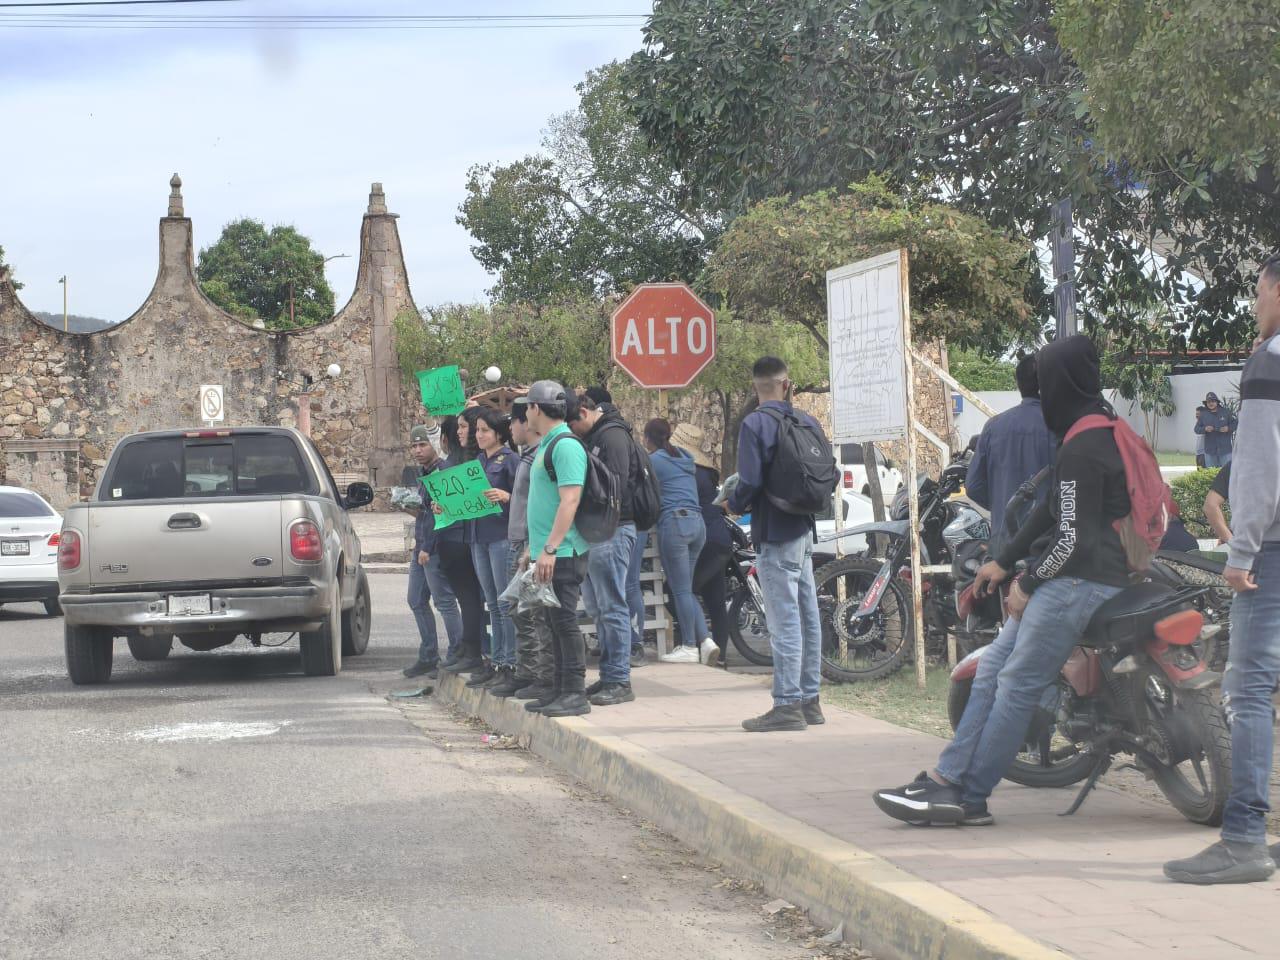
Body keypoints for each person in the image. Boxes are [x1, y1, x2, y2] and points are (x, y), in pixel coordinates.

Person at [873, 335, 1131, 825]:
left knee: (1015, 682)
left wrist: (1028, 582)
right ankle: (948, 778)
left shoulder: (1085, 446)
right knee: (992, 667)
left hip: (1081, 579)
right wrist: (1004, 561)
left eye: (1049, 383)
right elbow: (1047, 511)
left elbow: (1071, 539)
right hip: (1069, 573)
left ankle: (969, 796)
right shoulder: (1087, 431)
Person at [1164, 256, 1280, 885]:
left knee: (1248, 690)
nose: (1255, 304)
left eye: (1259, 291)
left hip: (1272, 553)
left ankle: (1243, 839)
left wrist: (1240, 552)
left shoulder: (1269, 361)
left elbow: (1261, 469)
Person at [727, 357, 828, 732]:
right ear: (787, 385)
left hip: (774, 532)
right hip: (803, 530)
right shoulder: (808, 421)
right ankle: (810, 700)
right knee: (808, 618)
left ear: (756, 387)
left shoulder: (755, 424)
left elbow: (750, 481)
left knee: (784, 621)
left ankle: (786, 704)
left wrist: (733, 502)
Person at [520, 381, 592, 717]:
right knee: (552, 621)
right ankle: (560, 690)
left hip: (563, 553)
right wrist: (534, 549)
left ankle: (575, 692)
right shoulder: (548, 444)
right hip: (548, 552)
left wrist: (550, 548)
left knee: (564, 621)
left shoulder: (565, 446)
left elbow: (570, 500)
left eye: (527, 407)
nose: (525, 413)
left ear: (536, 408)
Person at [571, 392, 642, 705]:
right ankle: (609, 673)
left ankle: (619, 679)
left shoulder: (612, 436)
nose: (572, 432)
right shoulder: (596, 436)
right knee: (598, 608)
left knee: (612, 606)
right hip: (597, 531)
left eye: (573, 424)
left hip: (613, 528)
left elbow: (614, 486)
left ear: (584, 412)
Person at [964, 353, 1055, 539]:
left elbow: (973, 486)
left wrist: (1004, 507)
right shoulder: (1060, 427)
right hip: (1049, 544)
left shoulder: (993, 426)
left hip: (1004, 541)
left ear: (1018, 384)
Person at [503, 398, 555, 701]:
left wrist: (535, 546)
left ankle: (542, 677)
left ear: (526, 422)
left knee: (536, 615)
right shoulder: (529, 456)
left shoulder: (543, 456)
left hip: (531, 544)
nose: (510, 429)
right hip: (522, 543)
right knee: (519, 612)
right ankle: (527, 673)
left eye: (513, 422)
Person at [644, 418, 708, 663]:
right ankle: (706, 640)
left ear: (647, 438)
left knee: (680, 589)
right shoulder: (684, 458)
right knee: (686, 589)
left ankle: (690, 646)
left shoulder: (654, 461)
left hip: (675, 523)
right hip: (698, 524)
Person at [402, 424, 464, 679]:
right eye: (414, 446)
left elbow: (445, 517)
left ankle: (458, 652)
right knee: (416, 599)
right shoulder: (424, 473)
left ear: (435, 444)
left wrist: (428, 547)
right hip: (421, 546)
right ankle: (429, 655)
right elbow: (427, 513)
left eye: (422, 445)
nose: (417, 450)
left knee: (444, 602)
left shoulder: (444, 472)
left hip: (435, 548)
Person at [432, 417, 490, 676]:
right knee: (469, 599)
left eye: (466, 427)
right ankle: (470, 650)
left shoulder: (469, 463)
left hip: (465, 538)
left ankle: (476, 652)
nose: (462, 432)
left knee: (473, 599)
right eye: (462, 427)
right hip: (457, 538)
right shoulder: (460, 461)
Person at [468, 407, 520, 691]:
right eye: (477, 430)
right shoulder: (478, 461)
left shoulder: (510, 460)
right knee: (491, 602)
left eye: (484, 430)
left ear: (498, 433)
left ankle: (509, 662)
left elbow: (524, 498)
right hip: (479, 536)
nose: (479, 435)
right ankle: (497, 660)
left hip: (501, 536)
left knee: (503, 603)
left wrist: (505, 495)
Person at [677, 422, 731, 668]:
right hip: (720, 539)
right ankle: (721, 658)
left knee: (678, 593)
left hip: (703, 540)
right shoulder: (706, 473)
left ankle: (699, 643)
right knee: (715, 601)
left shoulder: (686, 472)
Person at [1195, 392, 1237, 468]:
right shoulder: (1203, 414)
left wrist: (1228, 428)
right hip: (1210, 451)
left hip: (1225, 450)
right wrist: (1205, 429)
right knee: (1211, 473)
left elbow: (1235, 424)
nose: (1211, 403)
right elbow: (1196, 429)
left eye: (1213, 401)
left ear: (1217, 402)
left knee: (1227, 472)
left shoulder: (1226, 412)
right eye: (1208, 402)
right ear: (1206, 403)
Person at [1204, 462, 1232, 545]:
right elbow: (1210, 506)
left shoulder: (1235, 465)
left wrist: (1230, 541)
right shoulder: (1234, 466)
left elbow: (1210, 506)